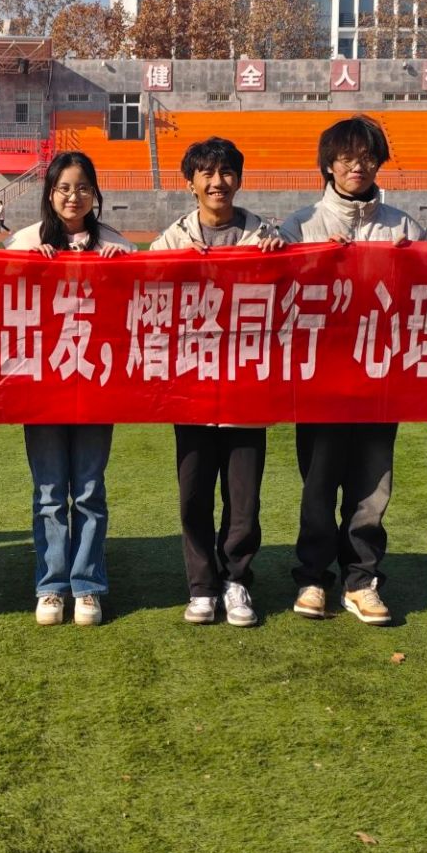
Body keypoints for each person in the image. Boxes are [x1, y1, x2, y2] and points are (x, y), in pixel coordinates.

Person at [278, 115, 427, 625]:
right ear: (328, 164)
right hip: (320, 384)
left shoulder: (404, 228)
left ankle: (362, 580)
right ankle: (313, 577)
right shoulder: (300, 226)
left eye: (367, 157)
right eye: (346, 158)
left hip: (381, 383)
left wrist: (419, 257)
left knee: (372, 489)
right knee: (318, 486)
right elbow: (280, 297)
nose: (357, 167)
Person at [150, 136, 286, 627]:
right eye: (206, 173)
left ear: (239, 179)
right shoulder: (170, 242)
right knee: (194, 494)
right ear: (190, 183)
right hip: (192, 389)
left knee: (243, 497)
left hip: (248, 389)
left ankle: (236, 581)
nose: (217, 182)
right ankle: (202, 586)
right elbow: (143, 295)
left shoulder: (266, 238)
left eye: (226, 172)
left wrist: (281, 257)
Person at [5, 151, 133, 628]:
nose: (72, 197)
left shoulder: (116, 244)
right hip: (42, 388)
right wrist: (24, 267)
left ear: (94, 193)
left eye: (82, 188)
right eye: (63, 188)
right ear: (49, 193)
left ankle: (88, 585)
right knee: (50, 493)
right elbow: (0, 301)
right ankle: (51, 584)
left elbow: (140, 305)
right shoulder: (24, 242)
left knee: (90, 490)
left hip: (97, 385)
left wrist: (123, 269)